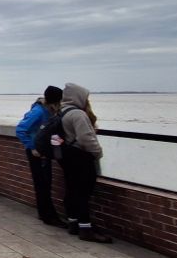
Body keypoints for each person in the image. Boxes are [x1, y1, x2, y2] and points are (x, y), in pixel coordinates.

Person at [58, 83, 112, 243]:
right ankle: (85, 228)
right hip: (81, 158)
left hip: (67, 157)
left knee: (72, 190)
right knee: (83, 193)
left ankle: (73, 223)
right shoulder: (78, 115)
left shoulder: (62, 112)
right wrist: (97, 153)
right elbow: (85, 138)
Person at [15, 85, 65, 227]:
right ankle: (48, 216)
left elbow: (53, 131)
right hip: (36, 152)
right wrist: (32, 147)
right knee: (42, 184)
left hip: (45, 151)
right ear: (54, 102)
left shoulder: (51, 111)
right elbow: (20, 129)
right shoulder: (38, 111)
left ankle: (45, 213)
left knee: (45, 184)